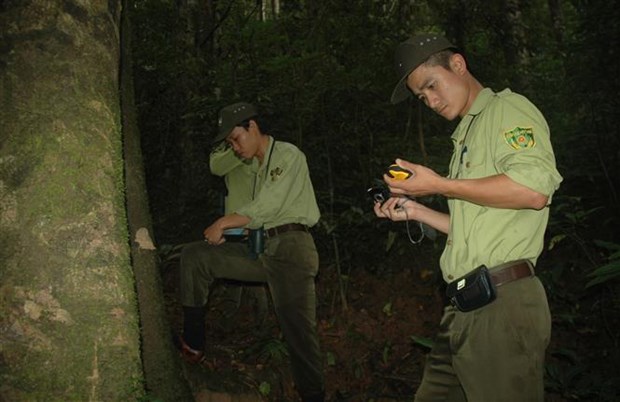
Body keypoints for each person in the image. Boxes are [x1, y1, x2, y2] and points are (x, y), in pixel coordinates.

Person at [375, 33, 563, 401]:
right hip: (464, 308)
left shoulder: (507, 111)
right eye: (421, 96)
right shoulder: (466, 136)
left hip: (502, 305)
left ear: (458, 65)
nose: (429, 100)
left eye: (431, 85)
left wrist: (441, 185)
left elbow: (533, 191)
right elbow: (472, 229)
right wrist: (416, 210)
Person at [177, 102, 325, 402]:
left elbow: (269, 206)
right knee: (195, 256)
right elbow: (259, 216)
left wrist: (224, 222)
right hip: (261, 248)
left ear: (253, 127)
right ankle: (193, 342)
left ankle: (314, 396)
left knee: (299, 337)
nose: (234, 147)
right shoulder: (256, 169)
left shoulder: (287, 154)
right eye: (229, 142)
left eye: (236, 138)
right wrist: (235, 230)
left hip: (292, 250)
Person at [208, 140, 268, 331]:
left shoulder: (260, 153)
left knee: (256, 275)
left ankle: (262, 327)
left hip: (255, 224)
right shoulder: (228, 152)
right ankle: (227, 325)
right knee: (232, 275)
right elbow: (216, 167)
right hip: (233, 225)